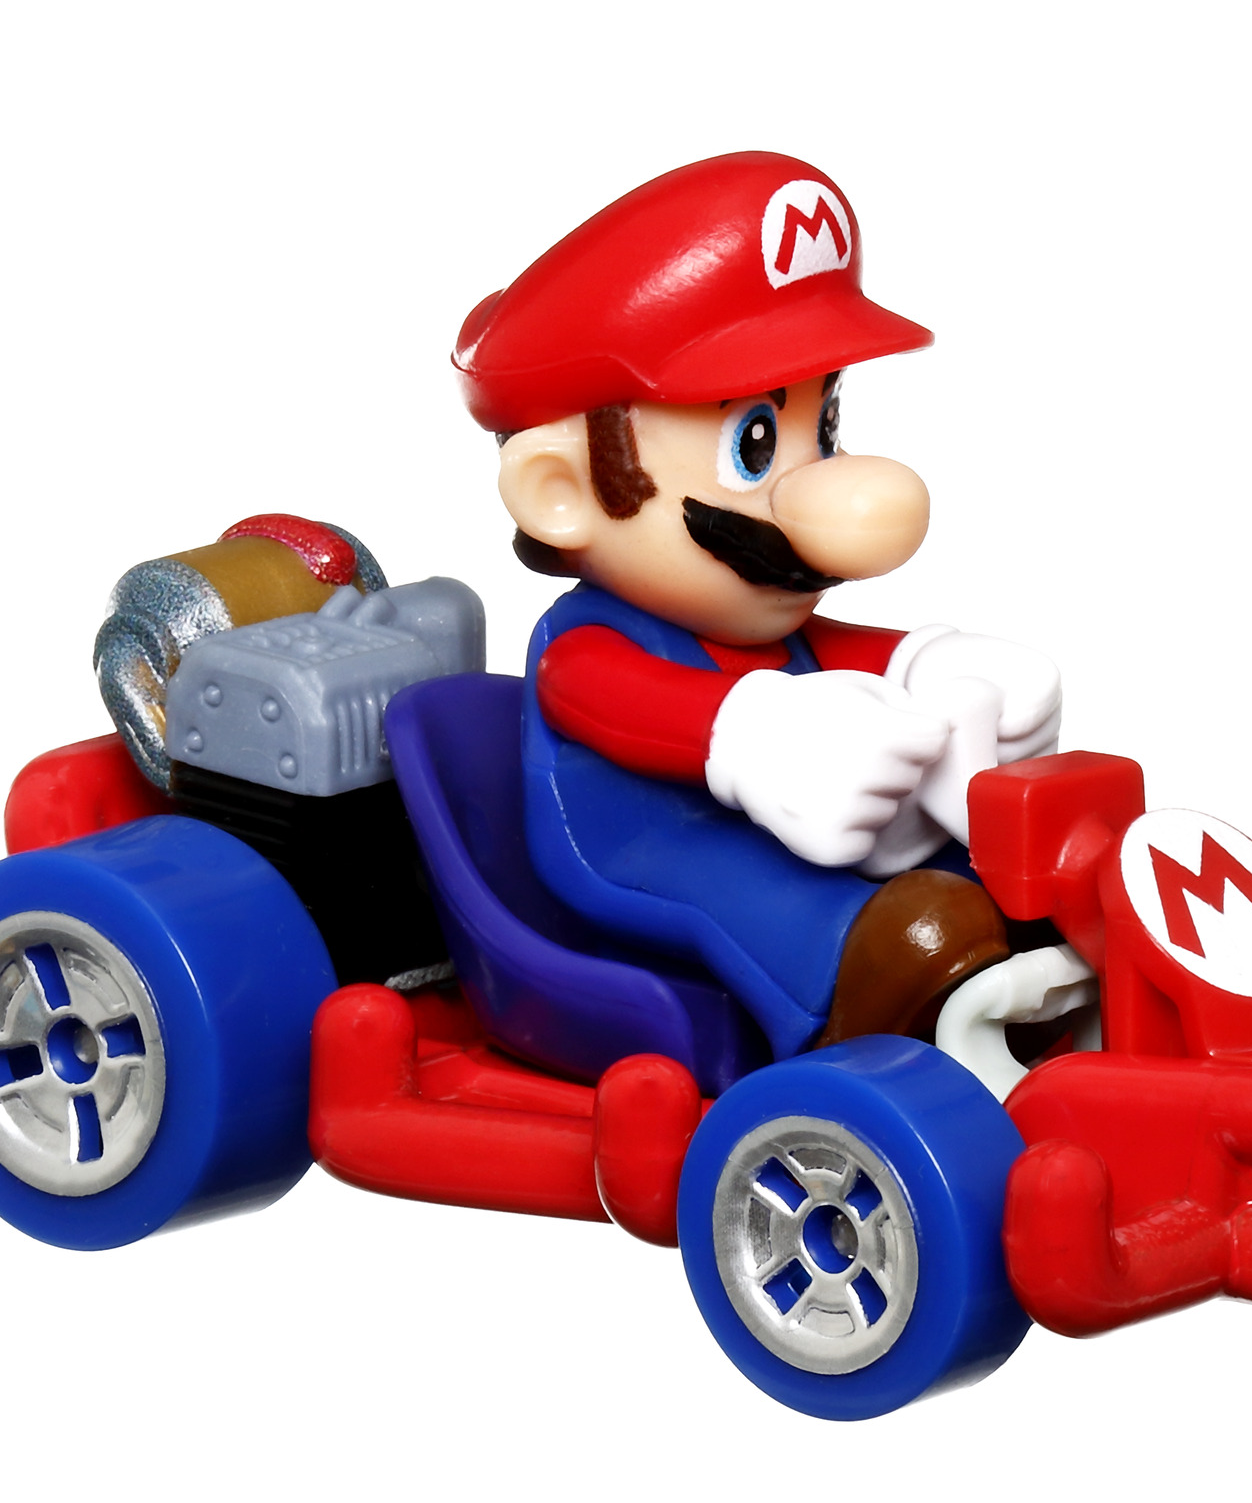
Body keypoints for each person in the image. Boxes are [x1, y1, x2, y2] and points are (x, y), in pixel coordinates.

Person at [454, 151, 1062, 1058]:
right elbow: (648, 707)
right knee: (806, 904)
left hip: (791, 822)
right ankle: (852, 1030)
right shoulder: (578, 648)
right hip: (647, 847)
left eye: (824, 426)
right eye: (755, 443)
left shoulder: (772, 629)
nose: (826, 490)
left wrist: (931, 664)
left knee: (981, 869)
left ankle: (1047, 993)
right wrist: (759, 739)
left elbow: (844, 651)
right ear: (561, 491)